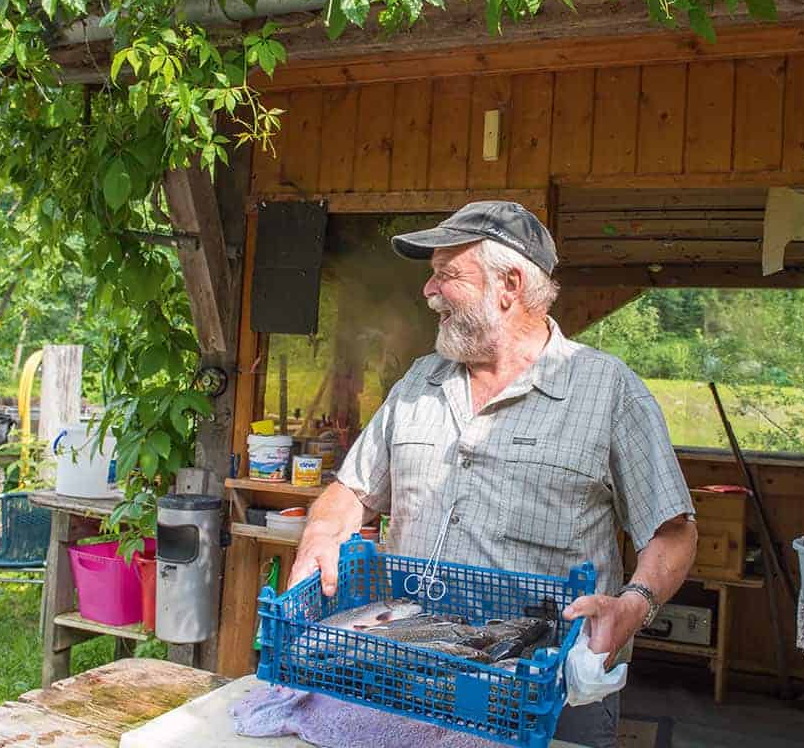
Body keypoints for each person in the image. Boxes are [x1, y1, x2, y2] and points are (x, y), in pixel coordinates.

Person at [288, 200, 698, 747]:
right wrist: (321, 531)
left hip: (547, 690)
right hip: (410, 671)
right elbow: (353, 489)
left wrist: (636, 603)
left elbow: (673, 531)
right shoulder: (419, 381)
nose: (428, 291)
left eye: (446, 274)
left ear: (509, 285)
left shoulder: (609, 392)